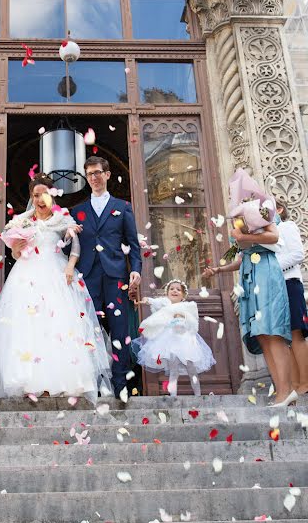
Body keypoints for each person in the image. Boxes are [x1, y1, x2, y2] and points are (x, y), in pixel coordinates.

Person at [0, 173, 112, 403]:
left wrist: (70, 266)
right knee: (27, 326)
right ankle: (28, 381)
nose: (40, 199)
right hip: (26, 274)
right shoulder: (22, 221)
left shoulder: (63, 218)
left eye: (44, 195)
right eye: (36, 195)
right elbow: (15, 253)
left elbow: (75, 246)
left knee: (58, 324)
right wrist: (16, 249)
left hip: (56, 273)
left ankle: (60, 381)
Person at [202, 171, 294, 407]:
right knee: (262, 335)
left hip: (265, 271)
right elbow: (241, 255)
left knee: (273, 331)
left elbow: (273, 237)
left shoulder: (264, 209)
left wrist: (246, 236)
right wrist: (219, 270)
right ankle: (281, 391)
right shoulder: (239, 217)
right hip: (249, 275)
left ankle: (287, 389)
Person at [71, 156, 142, 400]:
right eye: (89, 174)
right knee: (90, 330)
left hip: (116, 276)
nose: (94, 177)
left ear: (108, 174)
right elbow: (68, 248)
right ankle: (94, 382)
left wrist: (136, 270)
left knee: (120, 330)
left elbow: (133, 244)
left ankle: (121, 384)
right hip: (87, 277)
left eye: (98, 172)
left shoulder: (123, 207)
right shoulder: (76, 211)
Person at [132, 279, 215, 396]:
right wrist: (146, 300)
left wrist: (183, 319)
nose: (174, 291)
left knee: (191, 369)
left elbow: (193, 321)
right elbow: (154, 302)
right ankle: (173, 396)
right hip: (170, 342)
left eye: (178, 289)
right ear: (167, 293)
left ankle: (198, 395)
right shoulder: (165, 304)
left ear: (183, 295)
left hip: (186, 341)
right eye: (172, 289)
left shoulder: (187, 306)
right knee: (173, 370)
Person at [275, 200, 308, 396]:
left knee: (296, 332)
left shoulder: (287, 226)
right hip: (275, 288)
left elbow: (297, 254)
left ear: (279, 209)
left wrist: (271, 269)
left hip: (290, 283)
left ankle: (304, 382)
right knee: (284, 336)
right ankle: (295, 384)